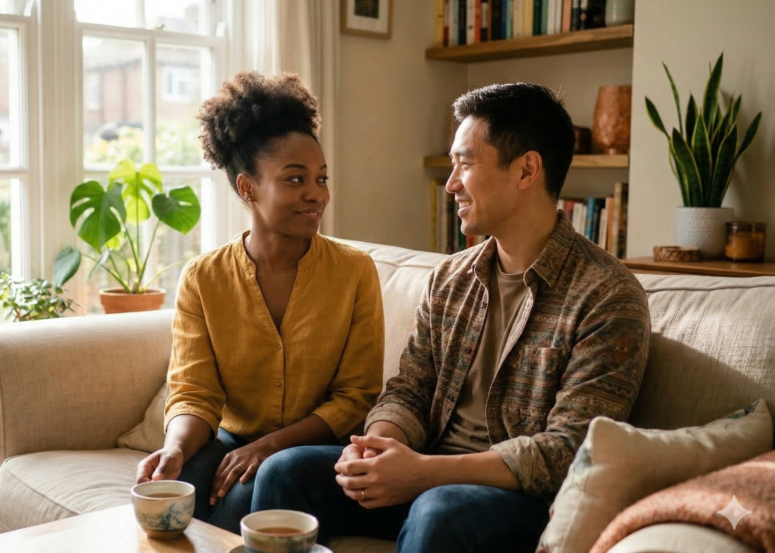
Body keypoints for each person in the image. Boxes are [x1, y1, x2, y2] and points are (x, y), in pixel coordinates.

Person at [252, 82, 652, 552]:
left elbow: (569, 451)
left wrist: (422, 474)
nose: (451, 183)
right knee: (285, 470)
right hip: (423, 471)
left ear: (526, 169)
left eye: (466, 163)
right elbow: (410, 389)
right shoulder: (452, 278)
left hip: (517, 499)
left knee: (439, 510)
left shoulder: (608, 296)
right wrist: (379, 447)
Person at [135, 71, 385, 534]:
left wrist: (269, 446)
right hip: (230, 435)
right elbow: (194, 391)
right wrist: (174, 447)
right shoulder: (203, 278)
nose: (317, 194)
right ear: (248, 188)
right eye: (295, 179)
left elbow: (356, 399)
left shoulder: (355, 272)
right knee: (178, 486)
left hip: (313, 448)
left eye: (321, 178)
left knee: (247, 496)